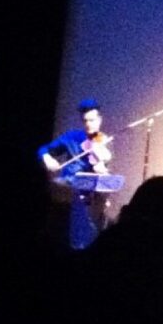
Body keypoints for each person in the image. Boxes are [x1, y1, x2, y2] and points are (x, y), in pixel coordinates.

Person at [38, 98, 118, 249]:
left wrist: (103, 170)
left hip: (90, 197)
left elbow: (105, 169)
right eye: (85, 120)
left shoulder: (104, 141)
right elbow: (43, 149)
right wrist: (47, 158)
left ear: (100, 120)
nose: (89, 124)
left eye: (92, 120)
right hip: (68, 191)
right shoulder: (72, 137)